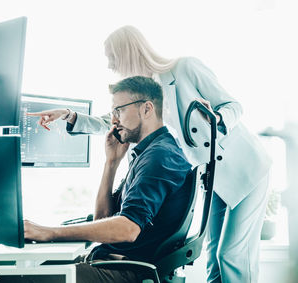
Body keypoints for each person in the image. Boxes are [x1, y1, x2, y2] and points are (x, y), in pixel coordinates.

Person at [29, 26, 272, 283]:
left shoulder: (184, 69)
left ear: (127, 51)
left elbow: (234, 105)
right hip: (216, 180)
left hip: (246, 170)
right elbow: (111, 121)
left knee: (231, 256)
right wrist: (69, 115)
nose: (111, 66)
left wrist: (217, 119)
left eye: (112, 58)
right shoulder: (146, 96)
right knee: (214, 259)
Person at [0, 76, 192, 283]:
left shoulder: (159, 157)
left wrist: (47, 232)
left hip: (127, 271)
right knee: (18, 275)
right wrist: (111, 163)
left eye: (119, 110)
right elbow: (103, 219)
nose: (114, 120)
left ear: (147, 109)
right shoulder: (150, 152)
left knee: (15, 280)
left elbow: (128, 229)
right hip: (113, 263)